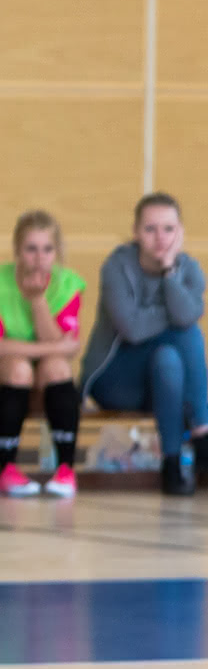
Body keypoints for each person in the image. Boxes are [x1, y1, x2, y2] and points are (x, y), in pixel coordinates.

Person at [81, 192, 208, 496]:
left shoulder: (189, 270)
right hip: (114, 379)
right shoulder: (116, 267)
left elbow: (185, 314)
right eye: (150, 229)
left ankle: (172, 467)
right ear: (135, 232)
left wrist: (170, 274)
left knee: (169, 358)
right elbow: (131, 328)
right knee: (185, 332)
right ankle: (202, 435)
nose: (160, 238)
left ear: (180, 232)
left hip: (160, 383)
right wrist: (173, 314)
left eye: (168, 229)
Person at [0, 210, 85, 498]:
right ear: (18, 251)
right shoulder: (1, 283)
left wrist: (37, 302)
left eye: (47, 249)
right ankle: (6, 468)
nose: (39, 257)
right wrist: (55, 347)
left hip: (45, 378)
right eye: (31, 249)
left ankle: (65, 470)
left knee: (58, 368)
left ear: (57, 251)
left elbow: (68, 347)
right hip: (10, 375)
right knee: (19, 368)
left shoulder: (68, 284)